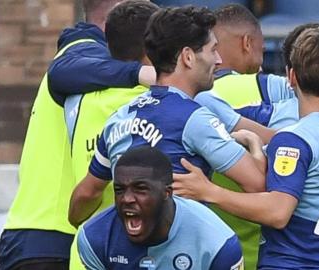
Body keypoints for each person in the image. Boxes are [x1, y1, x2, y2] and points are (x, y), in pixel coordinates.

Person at [174, 26, 319, 269]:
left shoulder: (293, 140)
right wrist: (257, 148)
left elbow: (277, 213)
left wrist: (208, 191)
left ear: (291, 77)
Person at [68, 6, 267, 228]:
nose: (218, 60)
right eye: (212, 50)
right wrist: (255, 144)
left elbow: (86, 195)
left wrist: (82, 225)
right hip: (182, 256)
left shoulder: (120, 117)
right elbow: (258, 183)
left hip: (126, 256)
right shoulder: (195, 118)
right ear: (188, 57)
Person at [0, 0, 155, 269]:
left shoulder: (103, 74)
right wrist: (146, 73)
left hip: (45, 238)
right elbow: (63, 71)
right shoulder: (81, 50)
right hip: (52, 236)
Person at [64, 1, 159, 269]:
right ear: (152, 47)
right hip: (143, 256)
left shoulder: (77, 99)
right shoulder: (158, 101)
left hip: (86, 256)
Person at [77, 146, 244, 270]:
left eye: (140, 189)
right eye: (119, 190)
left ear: (167, 193)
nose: (127, 199)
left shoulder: (218, 243)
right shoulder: (94, 238)